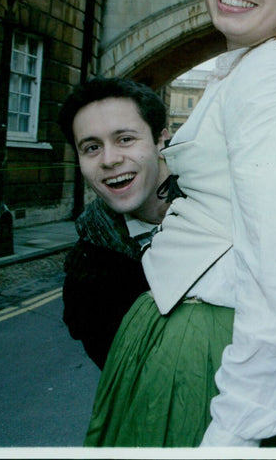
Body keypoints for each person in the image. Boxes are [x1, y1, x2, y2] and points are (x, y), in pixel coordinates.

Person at [84, 0, 276, 447]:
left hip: (214, 355)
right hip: (183, 333)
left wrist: (236, 433)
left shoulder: (275, 79)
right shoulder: (245, 69)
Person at [57, 77, 174, 369]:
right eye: (92, 147)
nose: (109, 160)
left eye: (125, 139)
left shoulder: (229, 212)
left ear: (161, 139)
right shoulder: (87, 281)